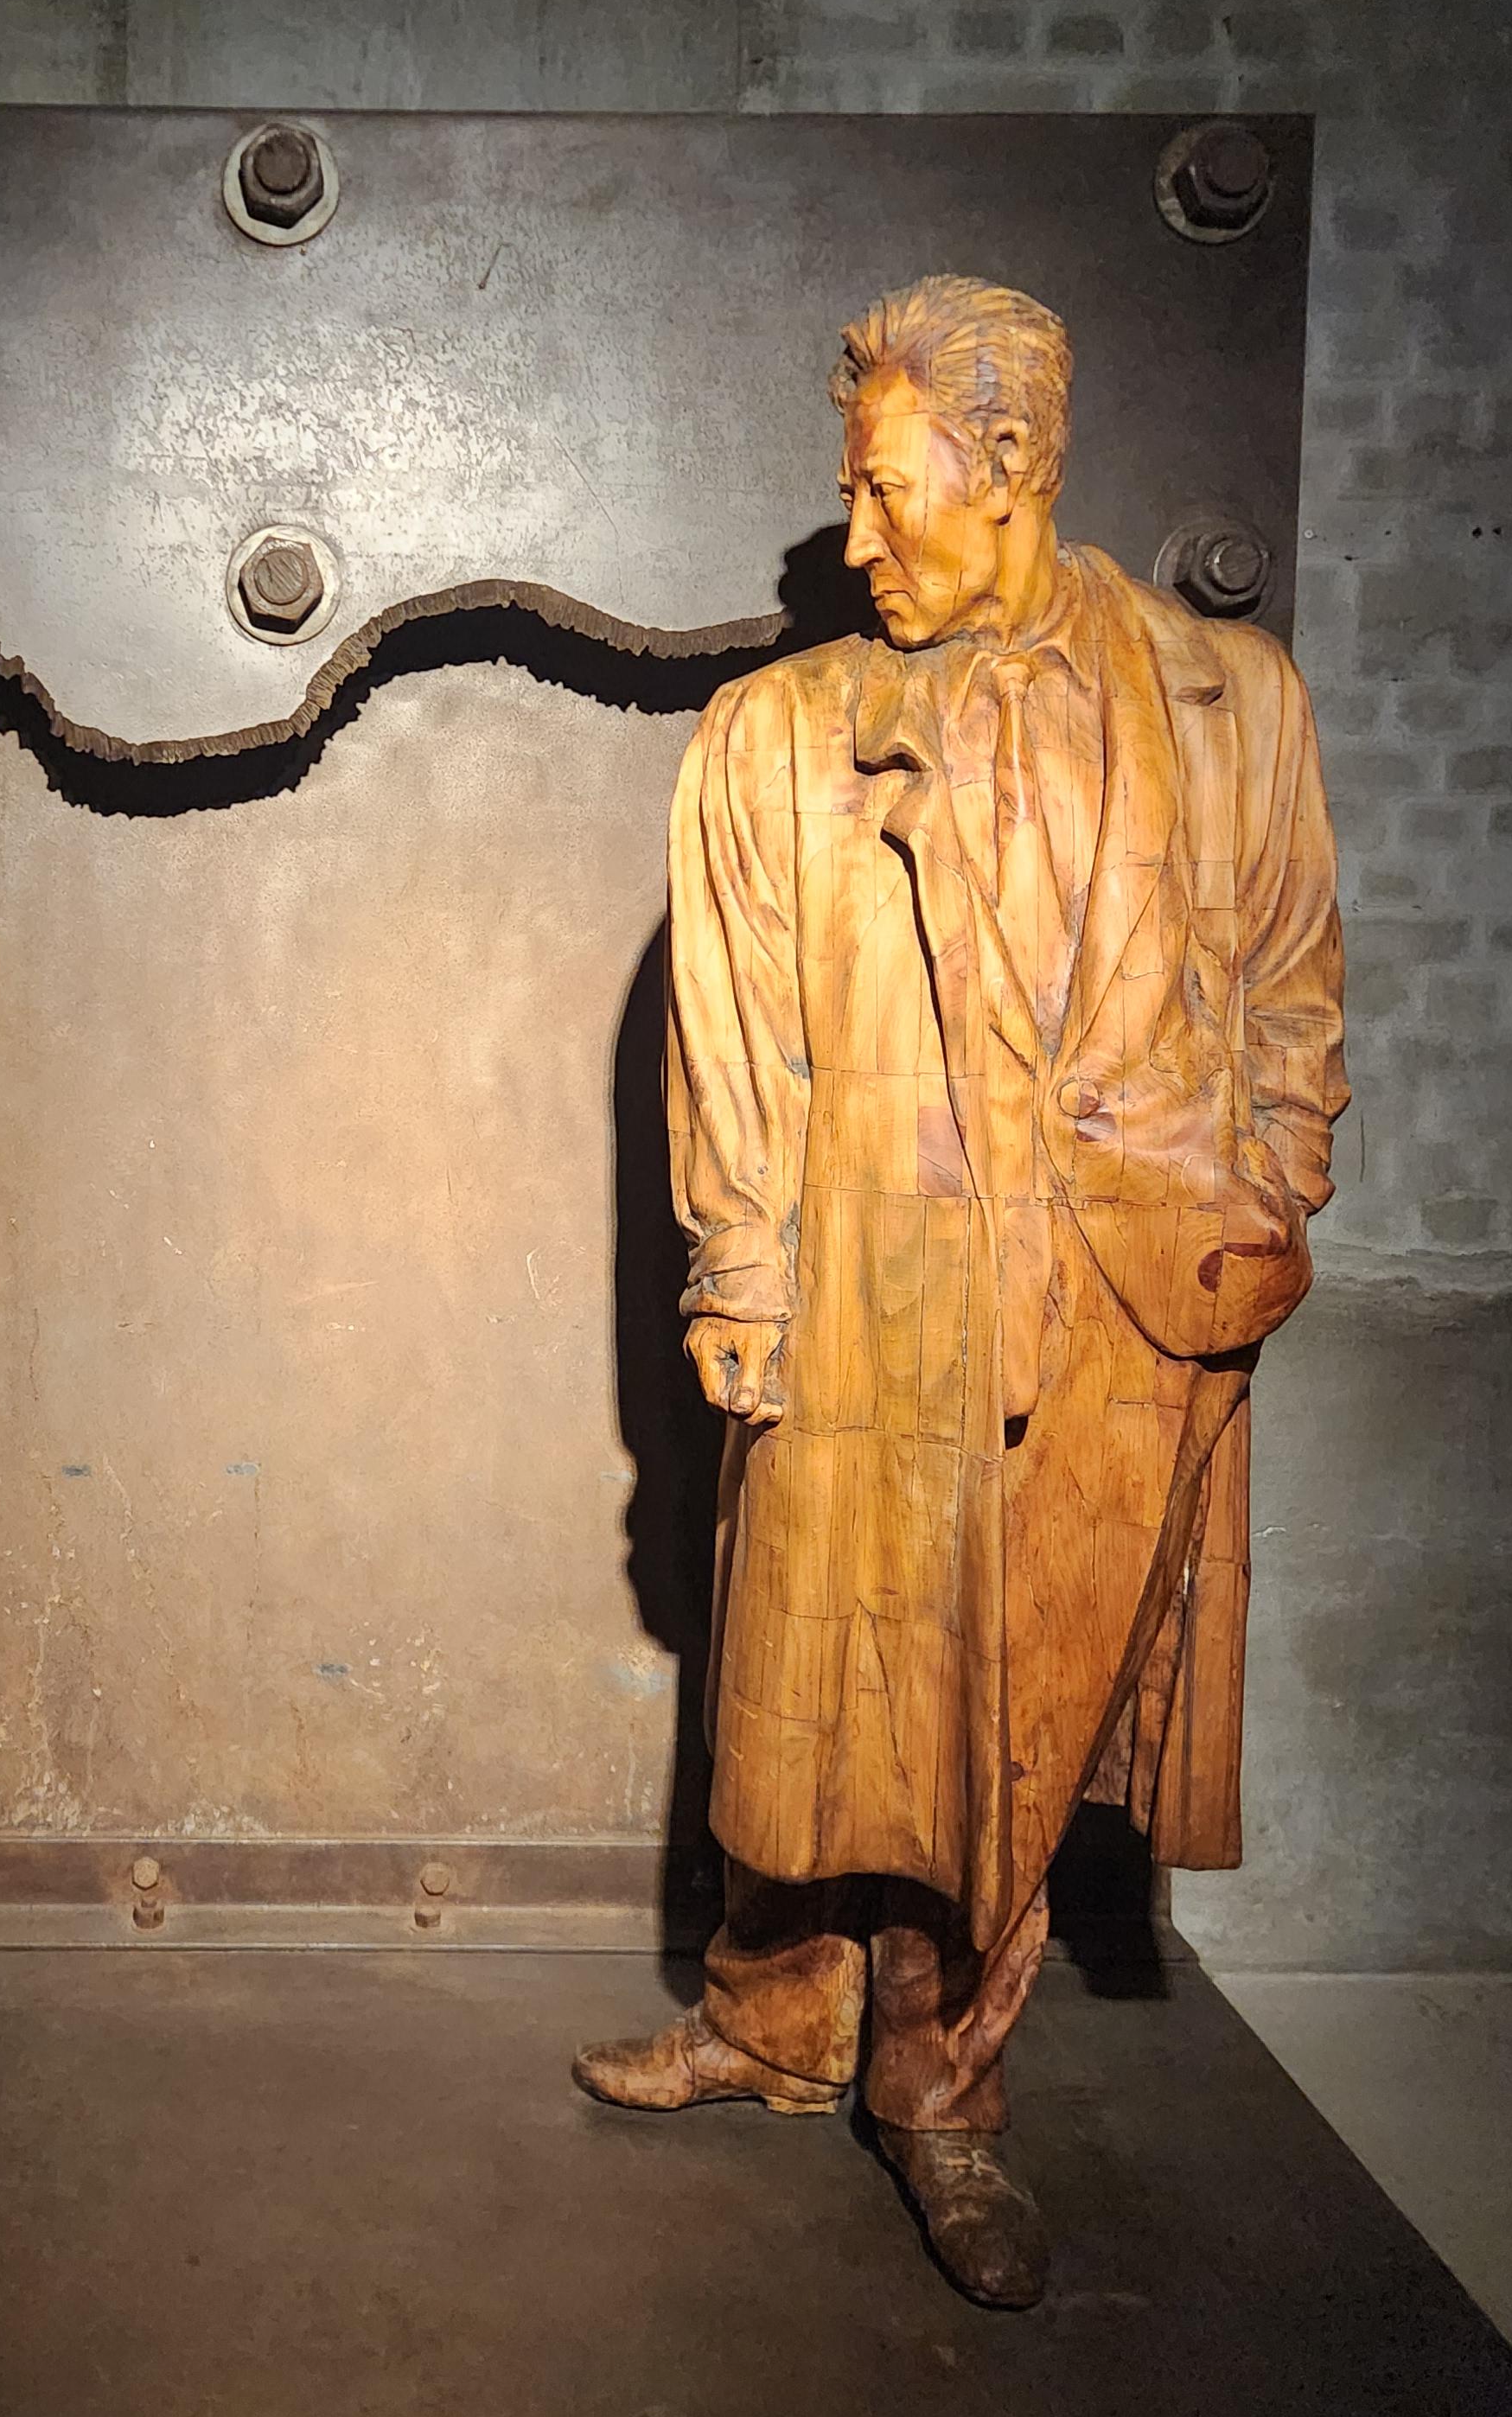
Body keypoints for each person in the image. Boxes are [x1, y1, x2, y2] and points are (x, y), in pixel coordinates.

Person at [574, 275, 1347, 2308]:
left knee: (1017, 1721)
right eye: (849, 490)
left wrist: (1272, 1184)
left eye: (886, 487)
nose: (855, 536)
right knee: (814, 1686)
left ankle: (942, 2093)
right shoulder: (776, 737)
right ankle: (773, 2016)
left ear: (1009, 464)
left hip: (1133, 1298)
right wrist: (743, 1277)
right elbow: (729, 1042)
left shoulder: (1230, 701)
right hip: (873, 1293)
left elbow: (1291, 979)